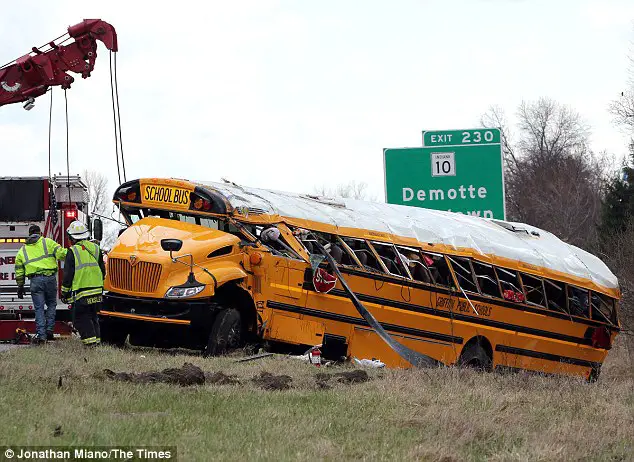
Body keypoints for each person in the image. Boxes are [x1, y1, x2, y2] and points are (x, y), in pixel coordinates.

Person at [14, 224, 67, 343]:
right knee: (52, 305)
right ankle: (49, 330)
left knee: (39, 308)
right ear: (40, 233)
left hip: (35, 281)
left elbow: (19, 269)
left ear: (29, 235)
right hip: (50, 279)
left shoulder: (22, 250)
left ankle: (41, 335)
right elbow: (62, 254)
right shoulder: (48, 242)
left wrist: (20, 286)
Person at [61, 221, 106, 347]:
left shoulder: (72, 251)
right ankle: (96, 342)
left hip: (82, 291)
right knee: (93, 316)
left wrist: (64, 292)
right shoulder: (96, 248)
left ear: (71, 238)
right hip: (97, 290)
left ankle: (90, 344)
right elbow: (103, 270)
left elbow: (68, 275)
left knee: (80, 318)